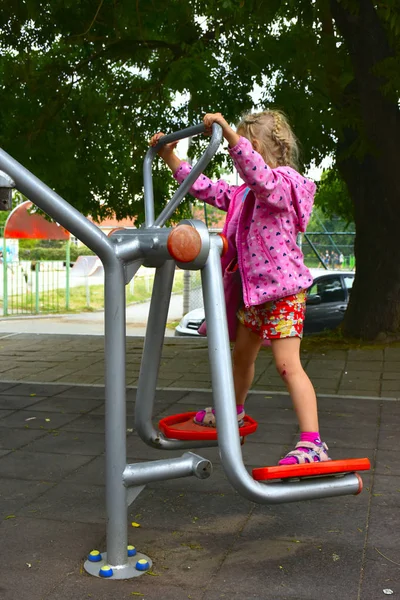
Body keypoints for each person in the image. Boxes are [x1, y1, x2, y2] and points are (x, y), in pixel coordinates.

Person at [150, 110, 330, 465]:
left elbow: (263, 181)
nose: (238, 162)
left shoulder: (285, 184)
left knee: (287, 365)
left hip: (284, 291)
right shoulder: (245, 194)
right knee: (241, 356)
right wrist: (171, 157)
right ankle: (231, 410)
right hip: (255, 293)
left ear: (256, 148)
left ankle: (313, 442)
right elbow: (206, 188)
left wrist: (231, 137)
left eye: (244, 149)